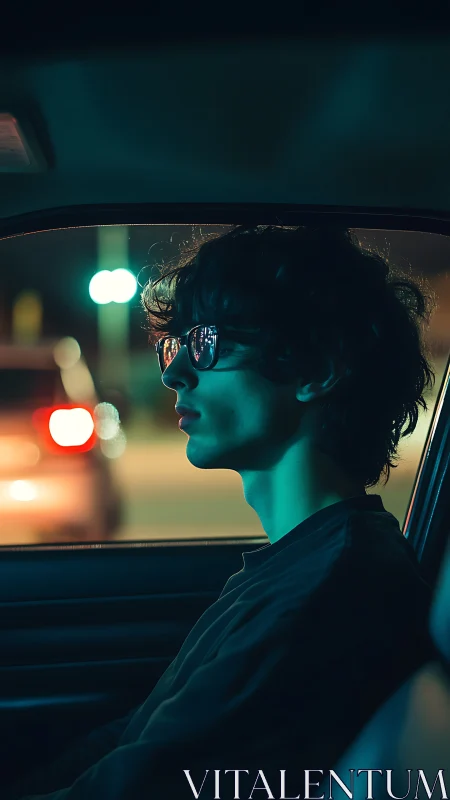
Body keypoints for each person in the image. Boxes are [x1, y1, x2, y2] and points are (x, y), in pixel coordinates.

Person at [7, 225, 437, 799]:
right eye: (176, 344)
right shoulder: (299, 564)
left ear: (315, 370)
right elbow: (138, 739)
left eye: (207, 342)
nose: (173, 372)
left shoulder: (328, 594)